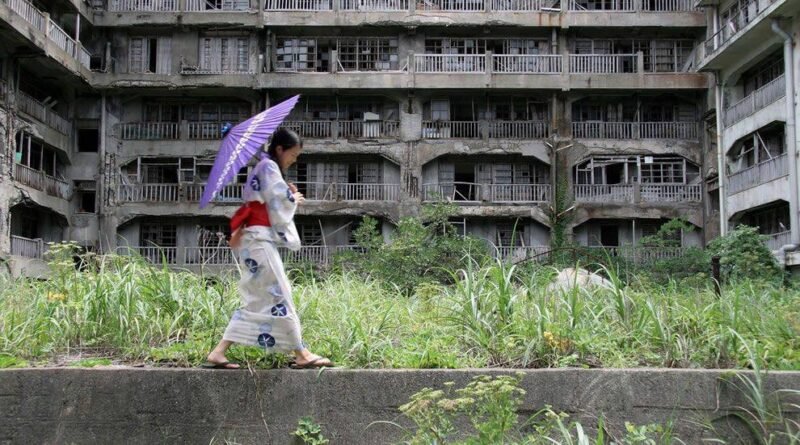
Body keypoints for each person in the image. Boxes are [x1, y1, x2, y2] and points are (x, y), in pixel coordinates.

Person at [204, 128, 334, 369]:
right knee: (280, 295)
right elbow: (279, 201)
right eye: (293, 155)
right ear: (279, 149)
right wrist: (293, 198)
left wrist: (288, 194)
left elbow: (273, 198)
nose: (294, 160)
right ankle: (302, 353)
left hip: (254, 241)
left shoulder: (263, 167)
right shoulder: (268, 167)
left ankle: (218, 352)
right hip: (258, 241)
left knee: (260, 299)